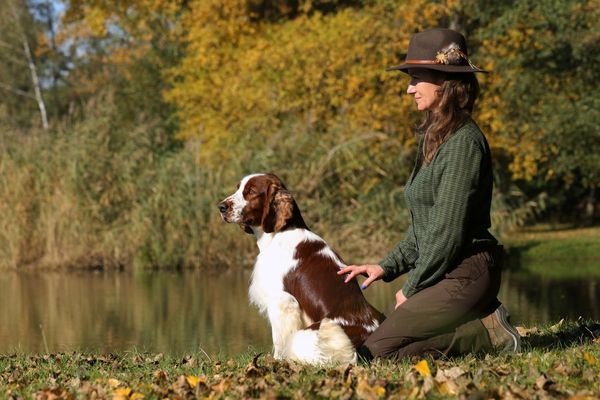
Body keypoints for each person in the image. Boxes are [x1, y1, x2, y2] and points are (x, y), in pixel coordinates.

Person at [338, 28, 521, 360]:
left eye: (415, 78)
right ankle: (483, 320)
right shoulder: (436, 138)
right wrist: (385, 267)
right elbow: (426, 224)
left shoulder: (465, 143)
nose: (409, 89)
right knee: (377, 348)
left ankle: (488, 336)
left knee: (375, 354)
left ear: (444, 82)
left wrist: (412, 286)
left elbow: (448, 231)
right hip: (446, 269)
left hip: (467, 270)